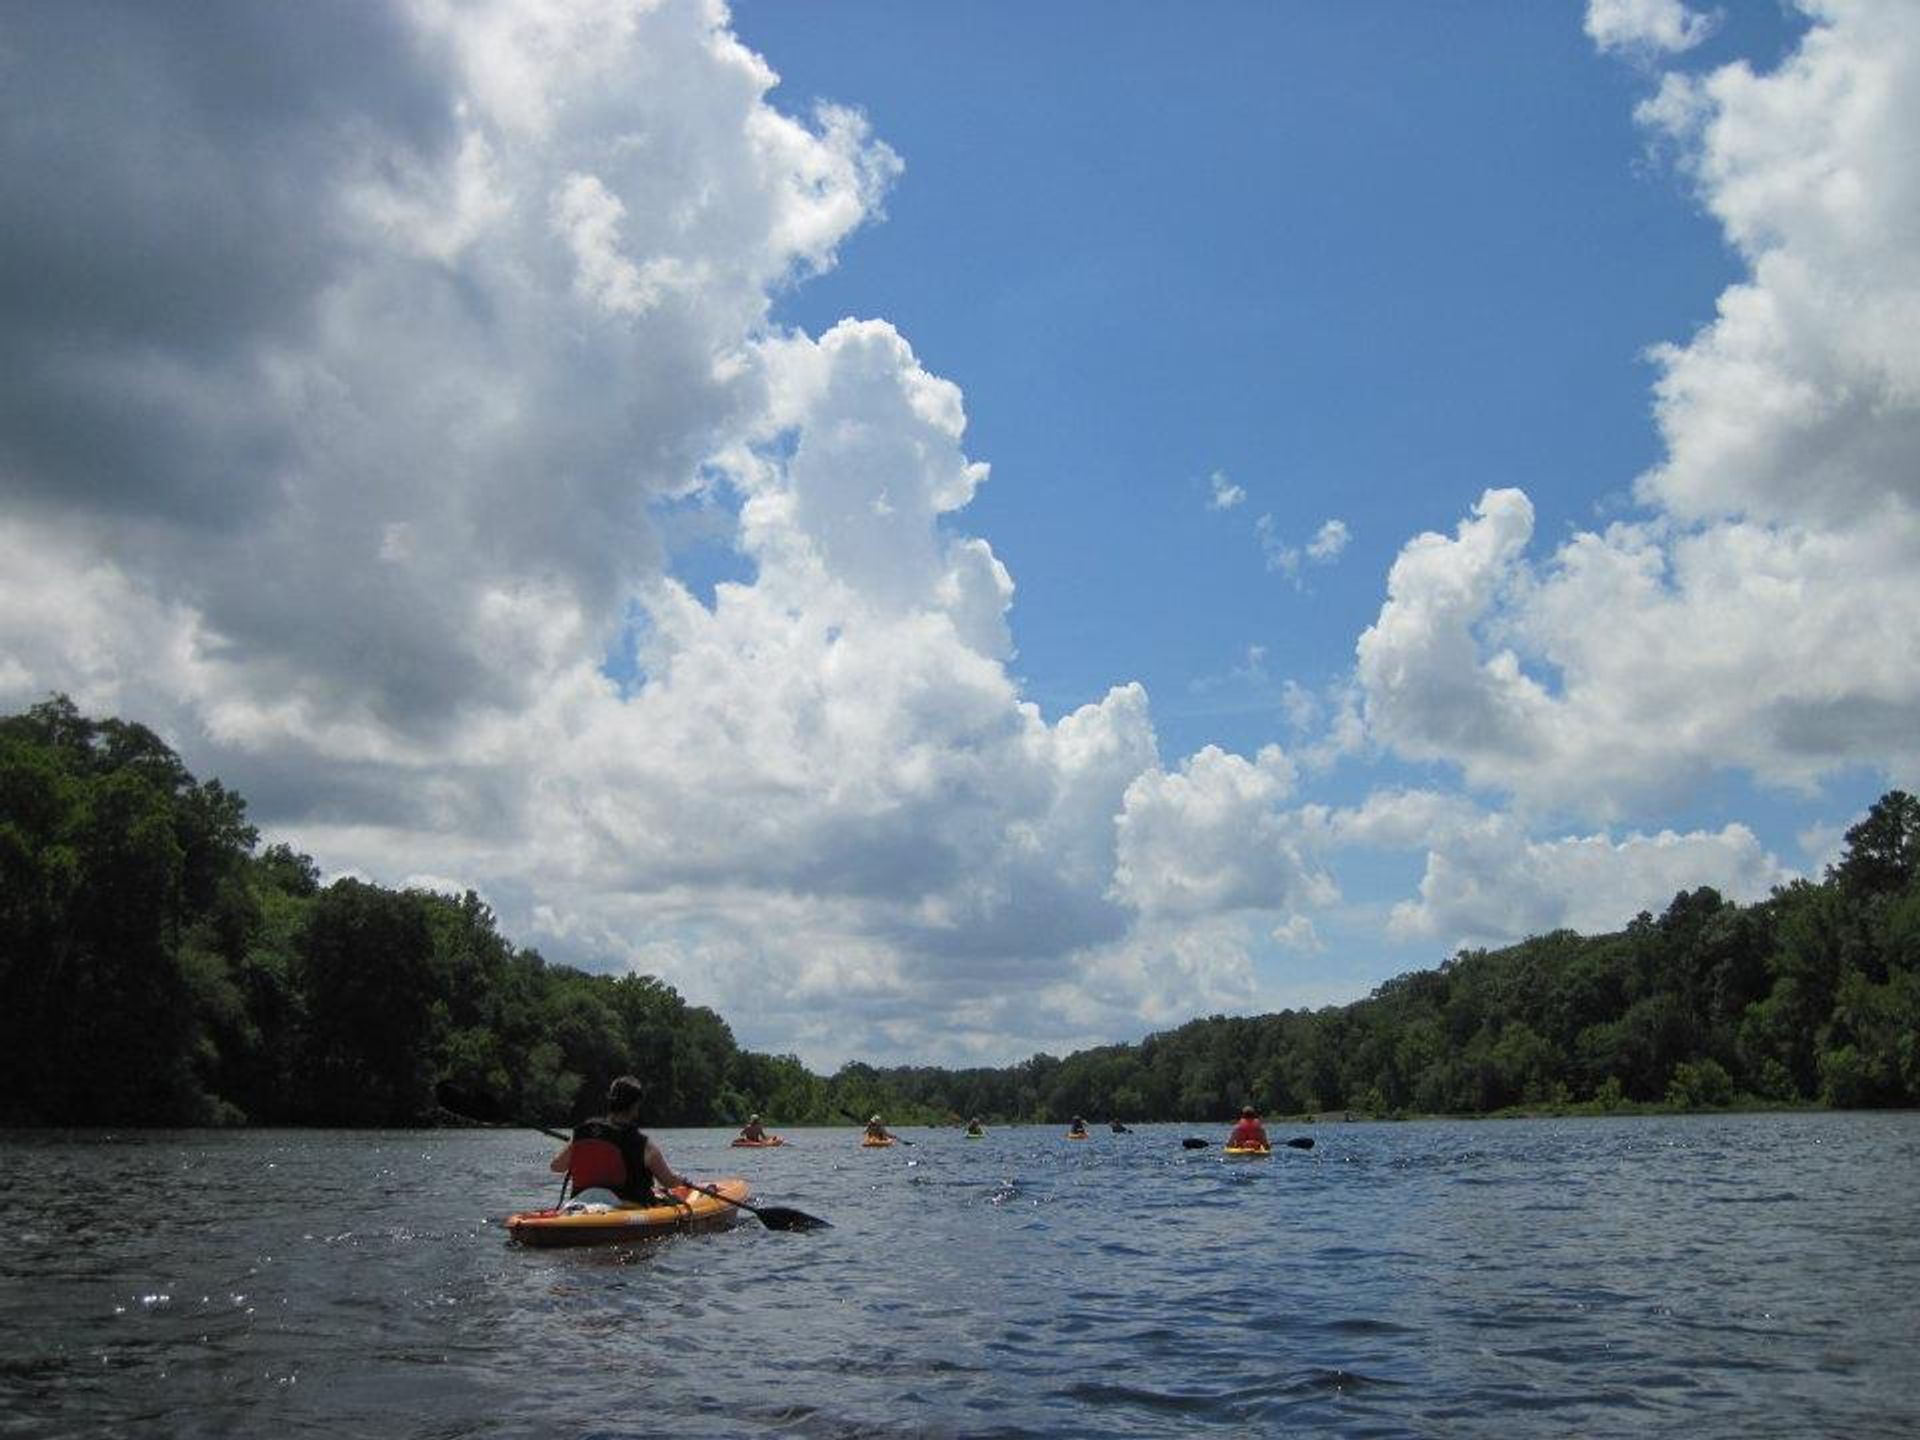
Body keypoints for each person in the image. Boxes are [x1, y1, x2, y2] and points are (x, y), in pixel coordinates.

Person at [548, 1075, 694, 1205]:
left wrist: (581, 1147)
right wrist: (680, 1180)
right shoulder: (641, 1143)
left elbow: (556, 1166)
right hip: (626, 1206)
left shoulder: (582, 1133)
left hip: (581, 1204)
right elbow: (667, 1181)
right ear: (635, 1106)